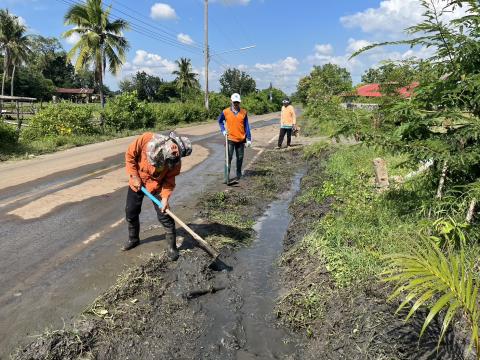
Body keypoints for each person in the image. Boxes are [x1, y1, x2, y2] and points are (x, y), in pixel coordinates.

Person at [123, 131, 192, 261]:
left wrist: (165, 198)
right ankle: (133, 239)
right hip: (137, 182)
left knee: (165, 215)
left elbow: (169, 181)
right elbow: (130, 156)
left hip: (156, 186)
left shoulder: (175, 161)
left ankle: (172, 247)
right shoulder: (146, 139)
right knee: (131, 212)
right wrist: (134, 176)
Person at [218, 93, 252, 181]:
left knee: (240, 157)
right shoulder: (225, 112)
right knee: (228, 157)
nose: (236, 104)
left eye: (237, 102)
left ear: (239, 102)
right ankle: (226, 176)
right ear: (231, 102)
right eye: (234, 102)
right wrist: (223, 130)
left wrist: (249, 139)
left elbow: (246, 126)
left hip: (241, 139)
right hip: (230, 139)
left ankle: (239, 173)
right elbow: (220, 121)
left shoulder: (244, 112)